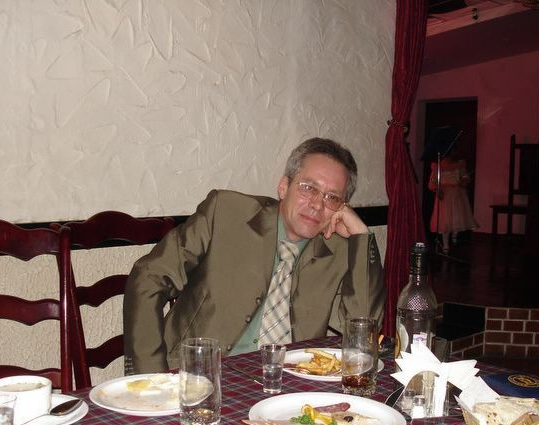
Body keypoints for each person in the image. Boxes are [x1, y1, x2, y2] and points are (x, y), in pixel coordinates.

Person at [123, 138, 386, 373]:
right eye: (308, 188)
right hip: (197, 377)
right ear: (284, 187)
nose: (317, 204)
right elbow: (148, 277)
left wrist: (361, 237)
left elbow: (363, 338)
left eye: (332, 198)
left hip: (287, 388)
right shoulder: (226, 212)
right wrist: (150, 375)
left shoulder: (340, 250)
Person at [428, 150, 478, 253]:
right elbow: (432, 182)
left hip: (457, 194)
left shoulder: (459, 164)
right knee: (444, 220)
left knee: (457, 217)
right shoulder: (438, 166)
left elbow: (465, 177)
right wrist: (437, 189)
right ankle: (446, 244)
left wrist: (463, 181)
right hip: (444, 195)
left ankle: (454, 236)